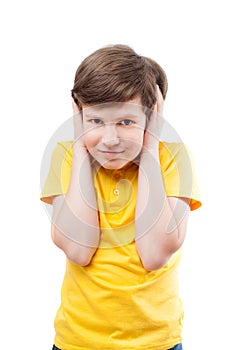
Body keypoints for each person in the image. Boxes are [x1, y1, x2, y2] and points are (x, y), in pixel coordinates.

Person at [40, 44, 201, 350]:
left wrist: (151, 147)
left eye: (126, 122)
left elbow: (154, 256)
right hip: (77, 340)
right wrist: (79, 148)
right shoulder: (66, 157)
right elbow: (78, 250)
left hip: (155, 342)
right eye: (95, 121)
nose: (110, 139)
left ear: (151, 118)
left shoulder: (174, 159)